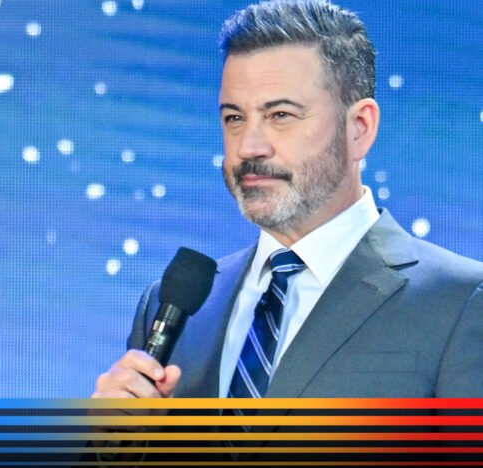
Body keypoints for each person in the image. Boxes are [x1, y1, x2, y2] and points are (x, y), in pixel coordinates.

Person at [93, 0, 483, 401]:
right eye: (234, 118)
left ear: (359, 128)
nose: (249, 147)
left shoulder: (461, 302)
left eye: (280, 115)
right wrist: (111, 439)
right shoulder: (173, 308)